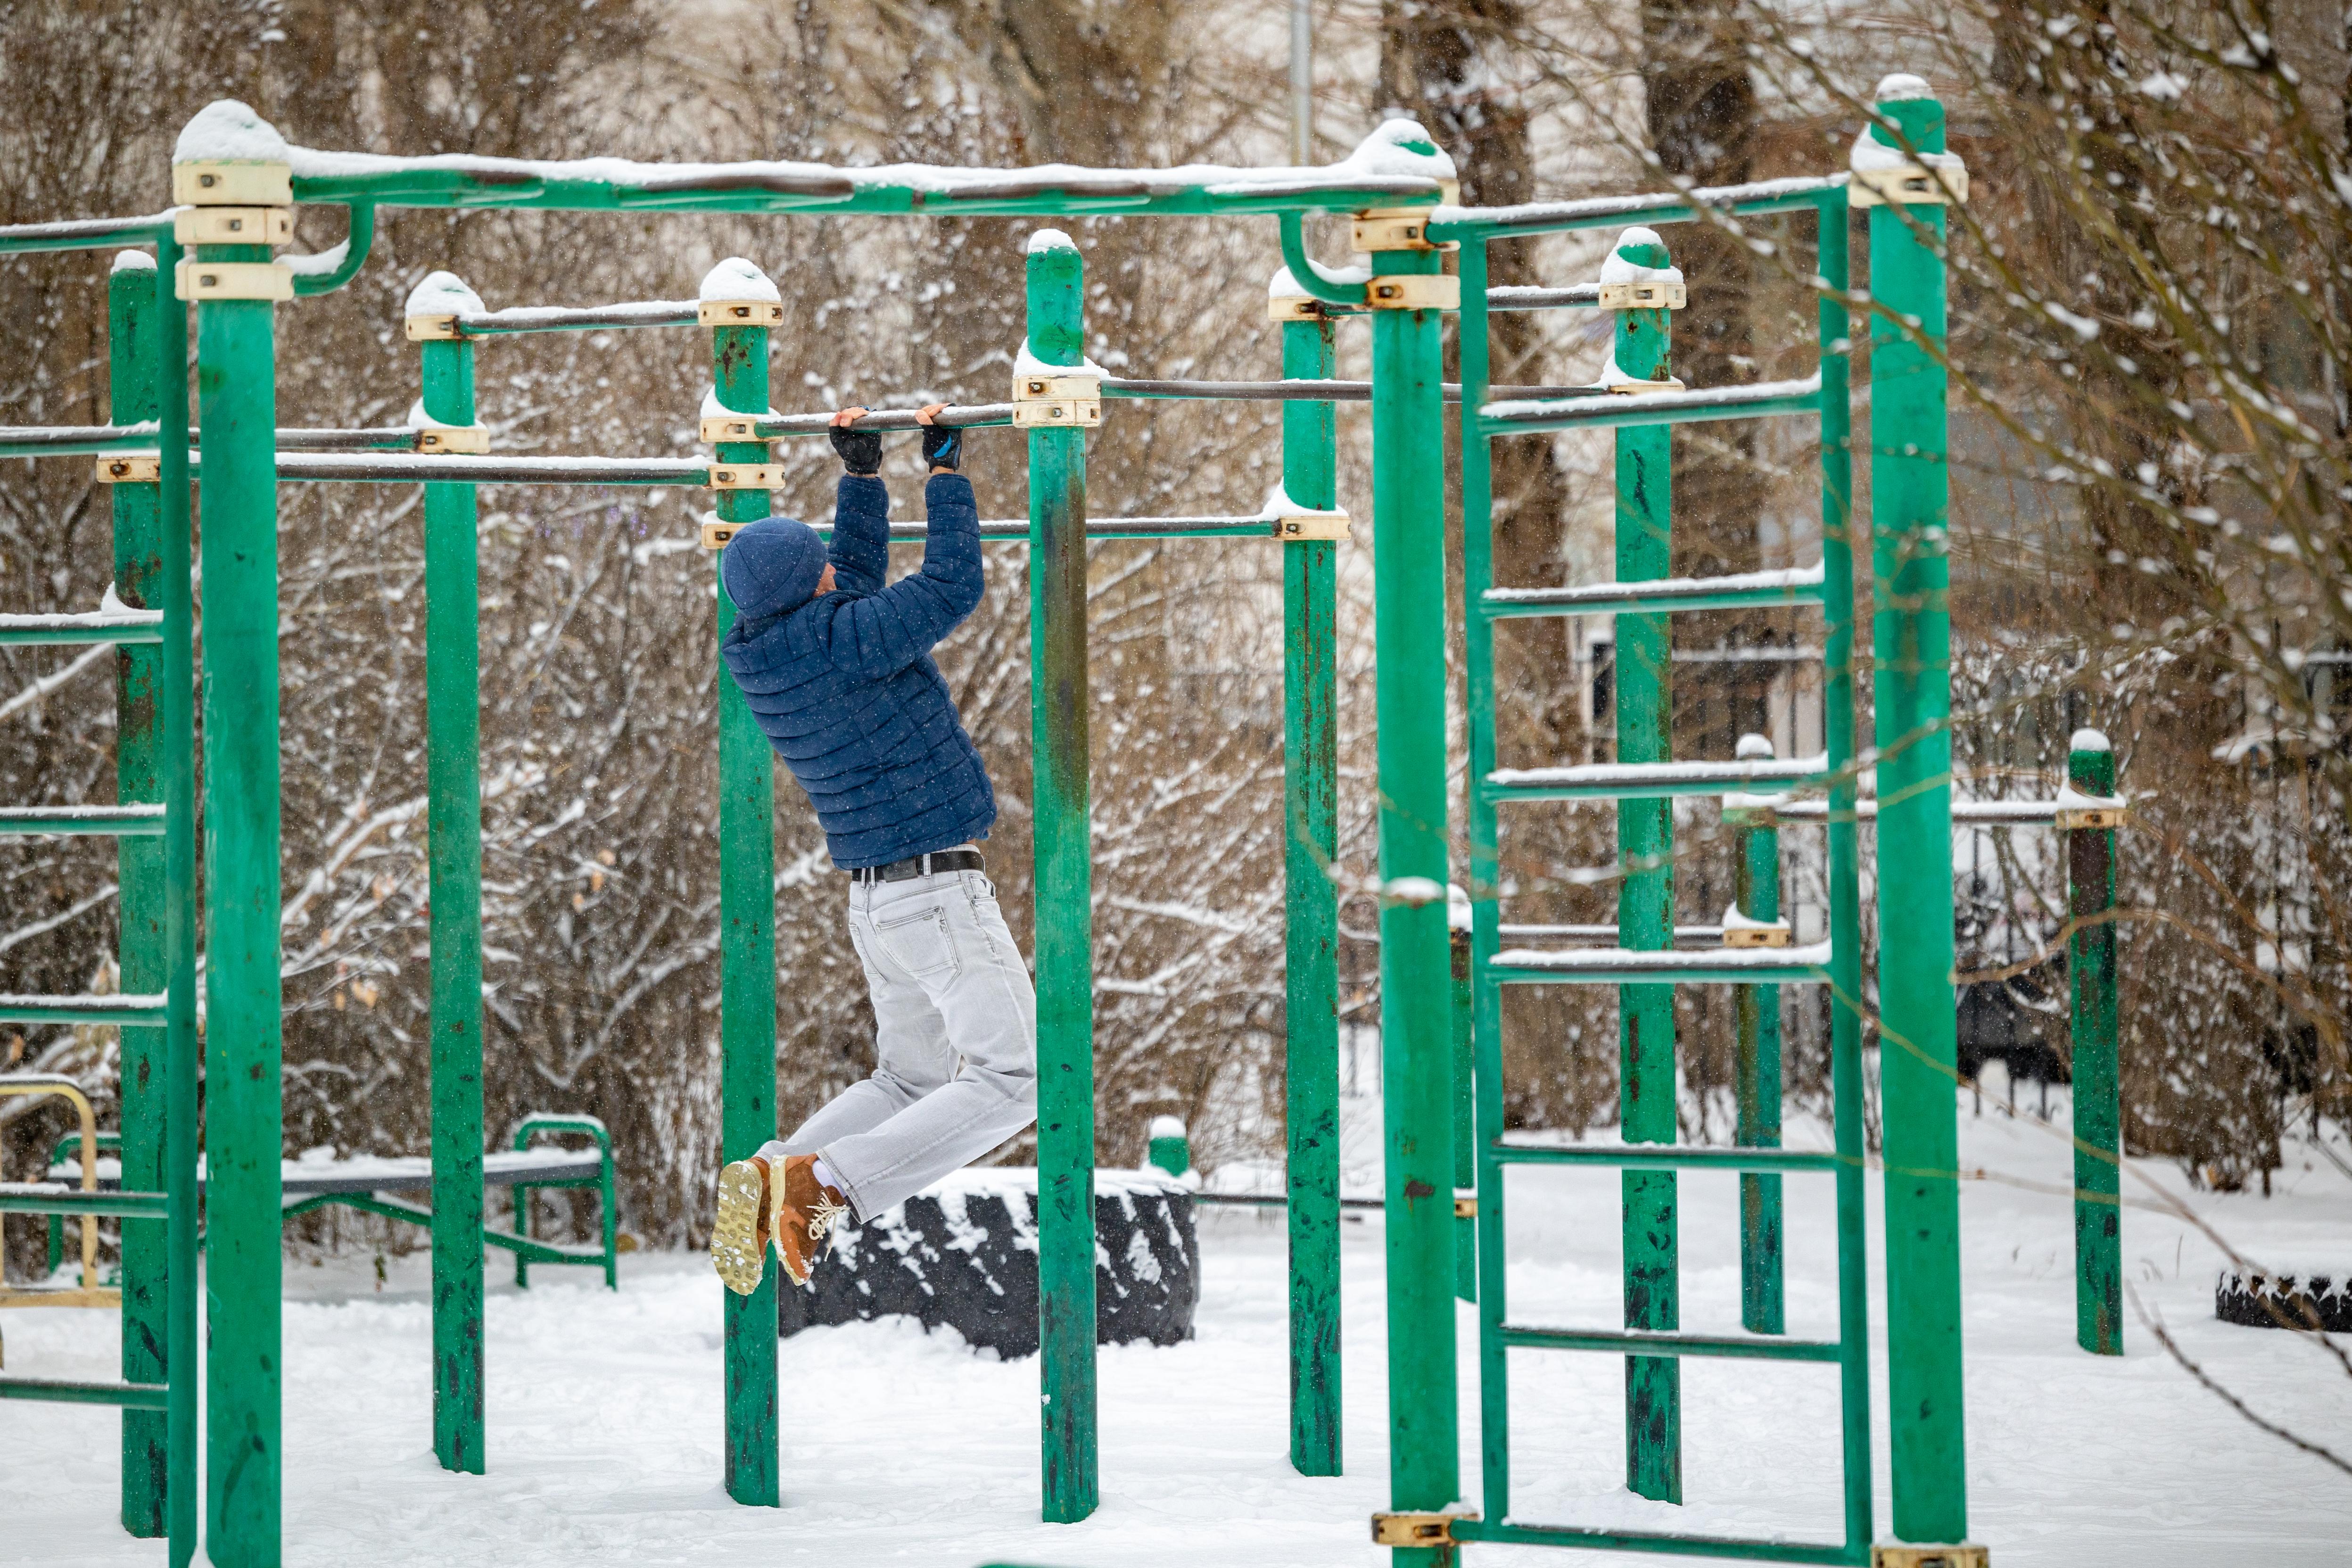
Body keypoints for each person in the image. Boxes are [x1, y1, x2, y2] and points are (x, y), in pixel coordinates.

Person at [709, 406, 1037, 1295]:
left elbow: (848, 580)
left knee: (911, 1078)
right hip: (932, 889)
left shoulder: (764, 650)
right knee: (1018, 1077)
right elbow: (950, 586)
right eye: (819, 566)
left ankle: (775, 1172)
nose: (833, 572)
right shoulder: (842, 640)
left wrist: (863, 481)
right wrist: (945, 478)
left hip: (878, 901)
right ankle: (829, 1184)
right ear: (805, 587)